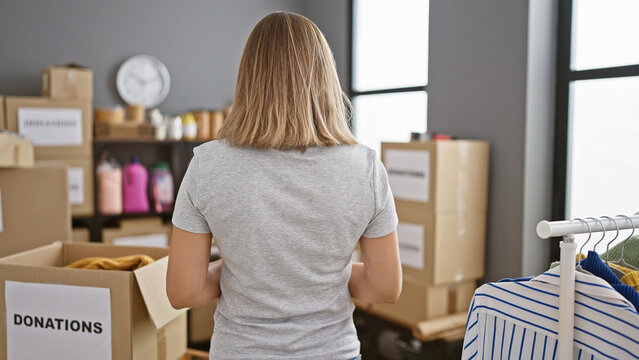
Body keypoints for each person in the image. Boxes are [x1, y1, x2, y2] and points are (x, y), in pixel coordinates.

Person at [166, 11, 401, 360]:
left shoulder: (208, 165)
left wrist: (236, 273)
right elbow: (384, 288)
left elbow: (183, 292)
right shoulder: (365, 167)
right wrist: (322, 276)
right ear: (325, 76)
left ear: (249, 77)